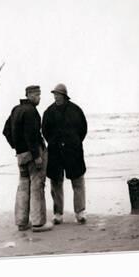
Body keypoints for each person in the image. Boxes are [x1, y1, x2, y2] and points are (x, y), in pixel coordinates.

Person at [42, 83, 88, 224]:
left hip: (73, 151)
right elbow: (45, 132)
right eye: (54, 94)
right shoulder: (48, 112)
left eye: (58, 94)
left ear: (64, 96)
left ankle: (80, 213)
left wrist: (74, 142)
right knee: (56, 182)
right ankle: (58, 214)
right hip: (55, 151)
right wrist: (54, 142)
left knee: (78, 180)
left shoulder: (76, 110)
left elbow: (83, 129)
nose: (56, 97)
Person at [9, 85, 52, 232]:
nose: (39, 98)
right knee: (37, 186)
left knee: (23, 186)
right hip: (33, 154)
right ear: (30, 95)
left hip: (20, 155)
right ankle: (39, 223)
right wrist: (37, 156)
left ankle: (21, 222)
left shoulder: (16, 110)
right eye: (38, 95)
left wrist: (16, 147)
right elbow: (31, 135)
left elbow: (6, 131)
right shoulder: (31, 111)